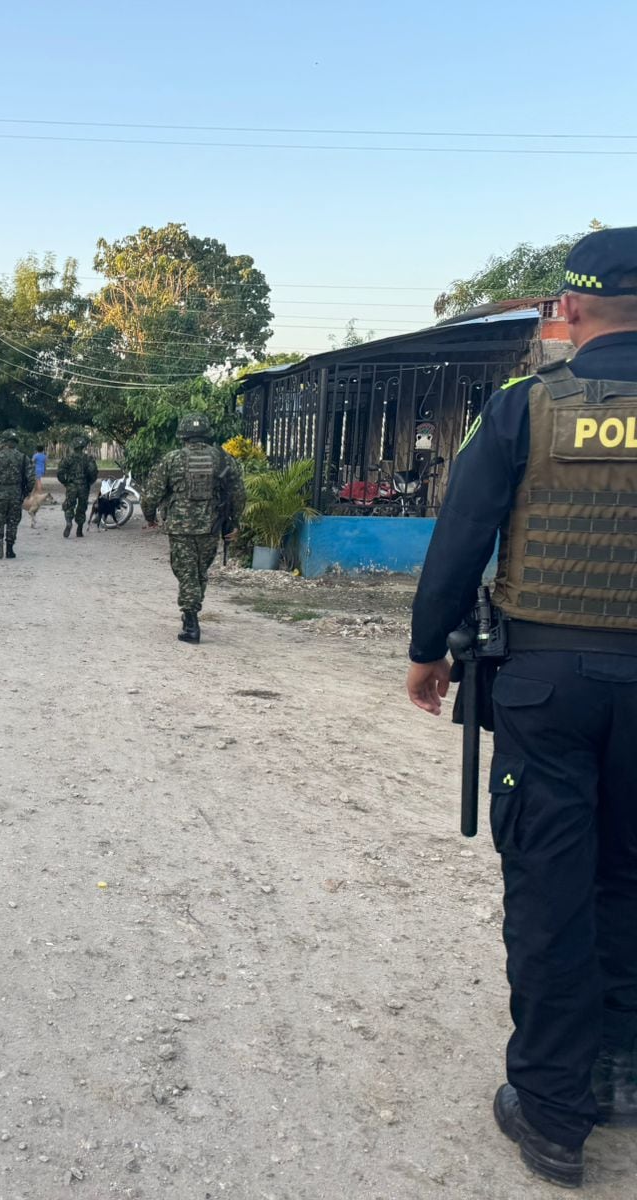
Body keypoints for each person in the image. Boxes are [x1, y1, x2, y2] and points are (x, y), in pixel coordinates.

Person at [404, 226, 637, 1190]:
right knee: (628, 871)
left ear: (568, 311)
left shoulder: (524, 409)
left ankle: (550, 1111)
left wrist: (428, 652)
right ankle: (620, 1068)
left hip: (547, 683)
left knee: (550, 885)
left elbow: (461, 536)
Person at [141, 413, 244, 644]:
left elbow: (152, 494)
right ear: (207, 433)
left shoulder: (171, 459)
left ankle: (191, 622)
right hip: (211, 526)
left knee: (186, 572)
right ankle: (192, 612)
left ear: (183, 435)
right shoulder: (223, 460)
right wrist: (234, 523)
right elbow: (238, 494)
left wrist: (150, 517)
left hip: (180, 528)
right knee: (199, 572)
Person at [0, 429, 35, 560]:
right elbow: (31, 478)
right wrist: (26, 492)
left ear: (4, 442)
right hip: (16, 493)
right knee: (13, 520)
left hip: (0, 492)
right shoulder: (23, 458)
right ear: (16, 443)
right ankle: (10, 548)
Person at [58, 435, 99, 539]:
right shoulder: (88, 459)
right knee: (82, 507)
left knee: (69, 505)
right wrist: (89, 482)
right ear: (83, 447)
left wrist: (66, 482)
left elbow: (60, 472)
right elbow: (93, 472)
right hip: (83, 486)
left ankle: (68, 522)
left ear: (74, 446)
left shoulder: (67, 458)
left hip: (71, 485)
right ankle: (79, 528)